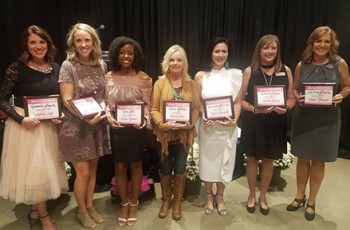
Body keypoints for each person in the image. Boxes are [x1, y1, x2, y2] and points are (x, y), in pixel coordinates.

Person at [0, 25, 68, 230]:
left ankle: (35, 211)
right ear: (26, 45)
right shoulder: (16, 68)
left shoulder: (56, 68)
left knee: (42, 172)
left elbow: (59, 99)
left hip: (47, 127)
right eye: (33, 42)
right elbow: (2, 100)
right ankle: (44, 216)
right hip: (26, 128)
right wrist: (21, 120)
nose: (38, 46)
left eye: (42, 42)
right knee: (35, 172)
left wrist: (59, 114)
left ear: (48, 43)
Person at [287, 26, 350, 221]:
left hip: (327, 120)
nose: (322, 45)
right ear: (312, 43)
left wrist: (340, 95)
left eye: (326, 41)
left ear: (332, 44)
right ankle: (299, 195)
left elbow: (348, 86)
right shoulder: (301, 65)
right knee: (303, 158)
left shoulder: (339, 64)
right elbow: (295, 89)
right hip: (305, 117)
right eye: (318, 41)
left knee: (319, 160)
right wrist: (298, 97)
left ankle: (312, 200)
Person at [58, 23, 110, 229]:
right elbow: (67, 99)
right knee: (84, 172)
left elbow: (104, 95)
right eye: (78, 40)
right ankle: (81, 211)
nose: (83, 44)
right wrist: (86, 117)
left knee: (94, 167)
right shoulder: (67, 66)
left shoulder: (101, 65)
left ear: (94, 42)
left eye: (87, 39)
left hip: (96, 124)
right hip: (76, 126)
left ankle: (89, 205)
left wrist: (104, 107)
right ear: (73, 43)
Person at [240, 35, 295, 215]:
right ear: (259, 50)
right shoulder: (250, 71)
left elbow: (291, 98)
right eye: (266, 48)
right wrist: (255, 109)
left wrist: (286, 107)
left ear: (278, 51)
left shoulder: (285, 70)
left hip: (275, 123)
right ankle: (251, 195)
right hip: (254, 122)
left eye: (273, 48)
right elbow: (240, 101)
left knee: (269, 160)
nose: (270, 51)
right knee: (252, 160)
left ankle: (262, 196)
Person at [105, 36, 152, 227]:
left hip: (136, 128)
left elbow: (148, 106)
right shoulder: (108, 77)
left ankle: (134, 202)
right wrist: (108, 117)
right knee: (120, 167)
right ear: (116, 54)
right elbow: (106, 103)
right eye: (122, 52)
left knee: (136, 165)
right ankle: (124, 203)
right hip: (117, 127)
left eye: (130, 53)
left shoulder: (144, 78)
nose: (126, 56)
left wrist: (144, 120)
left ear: (136, 55)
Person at [150, 45, 200, 220]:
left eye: (179, 59)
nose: (175, 63)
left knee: (179, 168)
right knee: (165, 168)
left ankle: (177, 201)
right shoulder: (159, 83)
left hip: (183, 136)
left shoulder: (191, 84)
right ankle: (166, 199)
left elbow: (195, 108)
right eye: (172, 59)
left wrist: (190, 123)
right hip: (164, 135)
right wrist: (162, 124)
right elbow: (154, 109)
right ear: (167, 62)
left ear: (184, 62)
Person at [194, 37, 243, 216]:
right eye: (217, 51)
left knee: (226, 161)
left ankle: (220, 196)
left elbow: (238, 101)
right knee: (208, 162)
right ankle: (208, 196)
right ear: (210, 53)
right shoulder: (200, 75)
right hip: (208, 128)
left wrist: (234, 120)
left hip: (227, 127)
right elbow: (197, 101)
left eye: (224, 51)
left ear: (228, 53)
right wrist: (203, 114)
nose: (220, 55)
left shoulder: (236, 75)